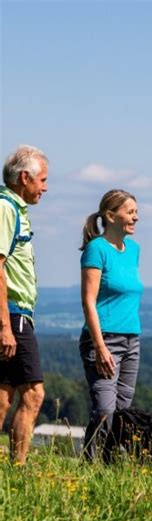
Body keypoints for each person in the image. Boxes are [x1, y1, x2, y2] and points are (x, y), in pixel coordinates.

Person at [79, 189, 143, 459]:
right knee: (105, 410)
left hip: (132, 340)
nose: (136, 218)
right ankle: (89, 465)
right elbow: (88, 301)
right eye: (130, 212)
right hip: (103, 339)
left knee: (122, 412)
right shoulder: (96, 249)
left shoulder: (134, 250)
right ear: (110, 216)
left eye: (136, 212)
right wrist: (100, 346)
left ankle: (109, 466)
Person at [0, 145, 49, 463]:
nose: (44, 187)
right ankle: (18, 468)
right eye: (42, 180)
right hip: (12, 313)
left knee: (4, 394)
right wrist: (5, 325)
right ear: (24, 177)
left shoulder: (11, 207)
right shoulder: (6, 208)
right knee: (33, 393)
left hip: (14, 314)